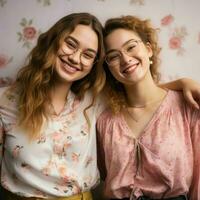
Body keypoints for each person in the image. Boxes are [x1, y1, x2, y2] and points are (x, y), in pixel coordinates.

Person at [0, 12, 199, 200]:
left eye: (87, 54)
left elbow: (143, 89)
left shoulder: (93, 103)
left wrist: (183, 84)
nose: (75, 58)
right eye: (70, 44)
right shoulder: (6, 101)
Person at [96, 15, 200, 200]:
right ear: (109, 68)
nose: (126, 59)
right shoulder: (105, 122)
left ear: (148, 49)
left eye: (131, 47)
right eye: (113, 56)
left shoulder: (187, 106)